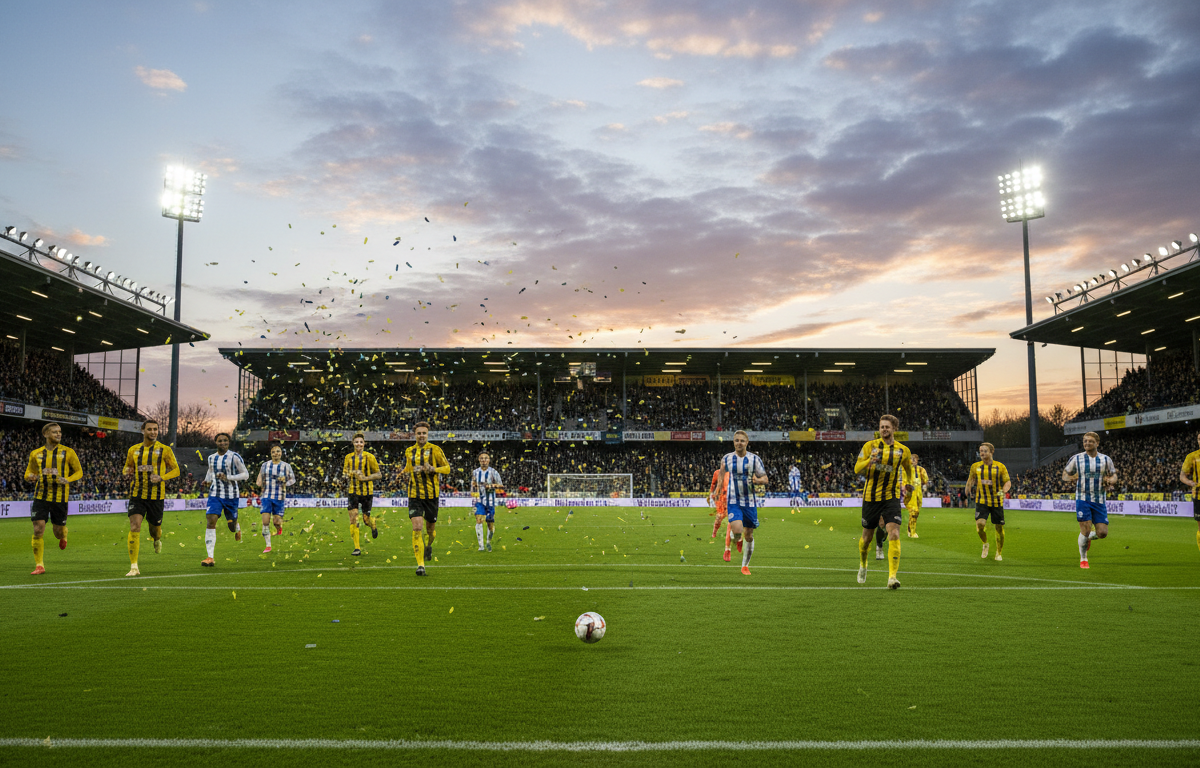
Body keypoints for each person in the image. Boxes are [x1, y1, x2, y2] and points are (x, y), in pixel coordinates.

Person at [853, 414, 913, 589]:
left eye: (887, 427)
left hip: (890, 497)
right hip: (870, 498)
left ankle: (892, 577)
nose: (884, 429)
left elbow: (909, 469)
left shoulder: (903, 450)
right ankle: (863, 565)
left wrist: (909, 485)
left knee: (894, 532)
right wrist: (869, 461)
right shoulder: (869, 446)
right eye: (882, 427)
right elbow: (857, 468)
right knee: (866, 539)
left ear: (894, 429)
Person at [122, 420, 180, 577]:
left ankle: (156, 539)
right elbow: (128, 467)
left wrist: (161, 477)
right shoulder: (133, 450)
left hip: (156, 496)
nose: (153, 432)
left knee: (155, 530)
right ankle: (134, 567)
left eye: (155, 429)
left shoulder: (164, 450)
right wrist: (126, 471)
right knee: (135, 526)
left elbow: (176, 470)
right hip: (137, 495)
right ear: (143, 431)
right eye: (150, 429)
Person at [24, 423, 82, 575]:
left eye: (60, 432)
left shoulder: (68, 452)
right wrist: (30, 476)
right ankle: (39, 565)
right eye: (55, 432)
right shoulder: (36, 454)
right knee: (38, 529)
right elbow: (28, 472)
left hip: (60, 498)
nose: (58, 434)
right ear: (45, 434)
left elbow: (79, 472)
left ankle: (64, 534)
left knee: (58, 532)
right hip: (40, 496)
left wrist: (68, 479)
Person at [710, 430, 768, 576]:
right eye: (737, 440)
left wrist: (757, 480)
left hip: (749, 503)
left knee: (748, 535)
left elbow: (765, 479)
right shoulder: (727, 458)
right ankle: (735, 537)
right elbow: (721, 474)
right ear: (733, 442)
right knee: (737, 530)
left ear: (747, 442)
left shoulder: (754, 459)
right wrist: (717, 490)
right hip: (733, 501)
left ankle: (745, 566)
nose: (739, 443)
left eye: (742, 440)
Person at [1062, 431, 1117, 570]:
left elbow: (1114, 476)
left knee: (1102, 533)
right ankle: (1083, 558)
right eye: (1085, 441)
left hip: (1099, 500)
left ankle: (1089, 537)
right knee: (1085, 530)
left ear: (1097, 443)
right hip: (1083, 498)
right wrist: (1072, 478)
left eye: (1090, 441)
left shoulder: (1105, 459)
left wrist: (1110, 480)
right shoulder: (1077, 458)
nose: (1087, 443)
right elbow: (1065, 475)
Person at [402, 422, 450, 575]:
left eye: (424, 433)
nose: (421, 435)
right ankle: (420, 565)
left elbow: (447, 468)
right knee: (417, 527)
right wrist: (402, 473)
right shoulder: (409, 451)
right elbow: (408, 467)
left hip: (431, 496)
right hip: (414, 495)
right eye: (419, 433)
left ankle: (428, 545)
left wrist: (433, 469)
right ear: (414, 435)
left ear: (427, 434)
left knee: (430, 530)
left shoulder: (435, 450)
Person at [201, 433, 249, 567]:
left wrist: (228, 477)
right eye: (220, 441)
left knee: (231, 527)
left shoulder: (234, 457)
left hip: (231, 496)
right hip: (215, 494)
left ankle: (236, 526)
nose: (223, 443)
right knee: (211, 520)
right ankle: (210, 557)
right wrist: (207, 481)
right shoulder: (211, 458)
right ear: (215, 442)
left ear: (229, 442)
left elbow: (245, 475)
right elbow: (210, 471)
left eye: (225, 441)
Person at [964, 443, 1011, 561]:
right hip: (981, 500)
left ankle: (999, 552)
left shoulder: (1000, 466)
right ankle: (985, 544)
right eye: (981, 451)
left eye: (985, 451)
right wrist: (968, 487)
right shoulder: (975, 466)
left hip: (996, 501)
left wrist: (1003, 491)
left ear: (991, 452)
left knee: (999, 528)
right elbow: (971, 479)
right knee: (980, 525)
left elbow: (1007, 482)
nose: (982, 453)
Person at [343, 432, 382, 556]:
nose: (358, 444)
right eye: (356, 442)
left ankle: (372, 524)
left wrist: (365, 478)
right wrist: (352, 473)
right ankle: (357, 548)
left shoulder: (370, 457)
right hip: (353, 491)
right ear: (353, 443)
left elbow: (379, 474)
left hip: (367, 492)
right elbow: (345, 473)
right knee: (353, 518)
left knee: (366, 520)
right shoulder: (348, 457)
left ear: (364, 444)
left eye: (361, 442)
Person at [256, 442, 296, 553]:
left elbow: (292, 479)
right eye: (273, 452)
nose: (275, 453)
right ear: (270, 454)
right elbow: (259, 478)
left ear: (281, 453)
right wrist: (259, 482)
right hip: (266, 496)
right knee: (265, 521)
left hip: (279, 497)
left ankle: (279, 528)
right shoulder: (265, 465)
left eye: (278, 451)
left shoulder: (286, 466)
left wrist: (285, 482)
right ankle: (268, 545)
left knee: (276, 522)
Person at [471, 451, 503, 552]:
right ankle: (481, 546)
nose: (483, 460)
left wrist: (491, 486)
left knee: (490, 524)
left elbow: (501, 485)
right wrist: (475, 486)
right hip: (479, 501)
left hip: (490, 501)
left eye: (486, 458)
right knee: (479, 520)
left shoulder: (494, 472)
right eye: (481, 458)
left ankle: (488, 542)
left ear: (489, 460)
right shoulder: (475, 472)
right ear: (479, 460)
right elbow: (473, 483)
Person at [1179, 431, 1200, 552]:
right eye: (1199, 439)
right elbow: (1182, 476)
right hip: (1198, 496)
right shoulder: (1192, 457)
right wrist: (1191, 483)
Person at [708, 465, 732, 562]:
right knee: (719, 518)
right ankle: (714, 532)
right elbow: (713, 484)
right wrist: (711, 494)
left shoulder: (732, 474)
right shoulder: (716, 473)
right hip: (720, 499)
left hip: (730, 500)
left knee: (731, 521)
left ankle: (728, 546)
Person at [906, 453, 929, 539]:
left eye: (915, 459)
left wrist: (922, 484)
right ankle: (912, 532)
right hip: (910, 494)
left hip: (918, 494)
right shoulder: (907, 469)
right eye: (912, 459)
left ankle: (909, 529)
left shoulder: (921, 469)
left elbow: (926, 480)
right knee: (914, 511)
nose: (913, 461)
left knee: (916, 512)